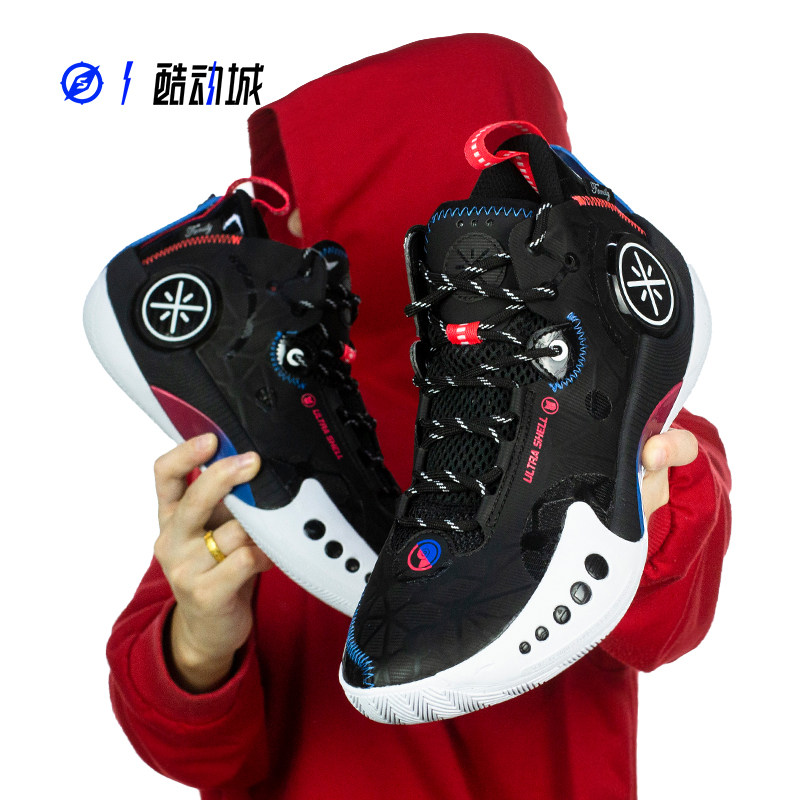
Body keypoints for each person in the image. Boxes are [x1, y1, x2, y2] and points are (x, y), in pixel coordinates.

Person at [106, 34, 732, 799]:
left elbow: (668, 623)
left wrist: (638, 504)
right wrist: (197, 639)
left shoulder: (640, 409)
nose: (286, 221)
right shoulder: (273, 421)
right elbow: (187, 747)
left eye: (305, 182)